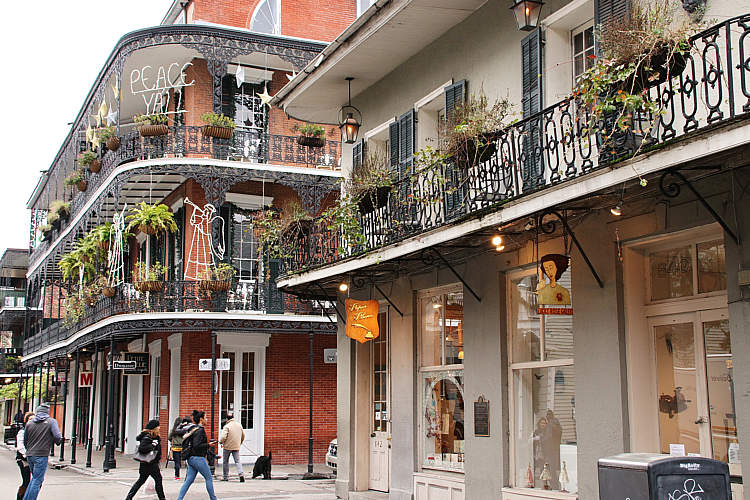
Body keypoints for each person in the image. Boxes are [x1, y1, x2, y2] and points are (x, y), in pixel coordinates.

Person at [22, 403, 62, 500]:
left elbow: (25, 440)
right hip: (41, 454)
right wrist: (58, 442)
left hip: (30, 454)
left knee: (34, 478)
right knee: (37, 480)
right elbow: (57, 436)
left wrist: (29, 449)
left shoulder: (29, 423)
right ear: (47, 412)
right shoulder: (51, 422)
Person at [176, 410, 217, 500]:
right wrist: (208, 445)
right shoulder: (200, 430)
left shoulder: (193, 429)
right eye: (206, 417)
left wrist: (213, 454)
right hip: (198, 458)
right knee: (209, 478)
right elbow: (197, 445)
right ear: (201, 419)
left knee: (189, 480)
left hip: (191, 458)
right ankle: (213, 499)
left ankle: (179, 498)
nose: (207, 419)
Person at [125, 419, 165, 500]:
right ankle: (162, 498)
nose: (159, 428)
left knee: (141, 481)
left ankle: (129, 497)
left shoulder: (153, 437)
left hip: (146, 463)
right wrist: (152, 445)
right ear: (154, 428)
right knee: (158, 480)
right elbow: (142, 448)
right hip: (150, 463)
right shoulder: (148, 437)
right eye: (158, 426)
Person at [219, 411, 245, 482]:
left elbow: (223, 437)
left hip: (227, 446)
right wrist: (240, 442)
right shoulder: (239, 425)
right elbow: (243, 435)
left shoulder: (227, 426)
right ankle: (241, 474)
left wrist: (221, 442)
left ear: (227, 419)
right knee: (237, 461)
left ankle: (225, 476)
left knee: (225, 461)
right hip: (236, 446)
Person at [15, 412, 33, 500]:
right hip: (23, 459)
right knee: (26, 481)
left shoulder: (35, 431)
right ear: (26, 421)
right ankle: (20, 498)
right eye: (30, 419)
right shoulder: (22, 431)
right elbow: (20, 446)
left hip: (33, 459)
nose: (32, 421)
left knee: (35, 482)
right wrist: (27, 455)